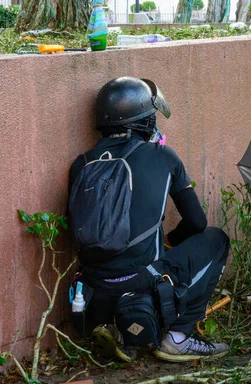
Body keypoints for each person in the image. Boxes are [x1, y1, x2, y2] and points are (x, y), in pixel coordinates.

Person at [67, 77, 230, 363]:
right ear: (141, 122)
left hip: (93, 289)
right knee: (216, 239)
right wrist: (170, 241)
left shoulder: (81, 164)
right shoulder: (163, 156)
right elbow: (197, 223)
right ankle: (179, 337)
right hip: (143, 283)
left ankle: (117, 328)